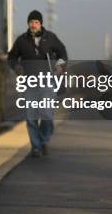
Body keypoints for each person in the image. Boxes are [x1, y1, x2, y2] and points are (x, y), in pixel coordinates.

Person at [8, 10, 68, 158]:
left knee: (47, 115)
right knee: (31, 117)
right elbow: (12, 57)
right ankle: (36, 147)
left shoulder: (51, 38)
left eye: (36, 22)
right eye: (31, 22)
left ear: (41, 23)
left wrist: (60, 66)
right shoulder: (22, 40)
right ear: (28, 23)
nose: (33, 25)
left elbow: (63, 53)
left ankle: (43, 140)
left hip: (48, 82)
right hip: (30, 84)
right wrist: (16, 67)